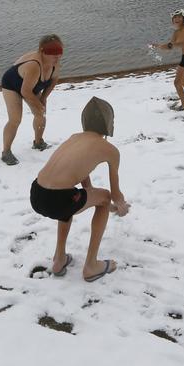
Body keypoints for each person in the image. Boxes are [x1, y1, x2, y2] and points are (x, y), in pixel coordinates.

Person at [30, 97, 130, 282]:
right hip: (59, 199)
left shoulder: (74, 138)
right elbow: (115, 195)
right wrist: (121, 206)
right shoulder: (110, 150)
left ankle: (59, 259)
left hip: (36, 193)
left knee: (70, 200)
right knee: (104, 197)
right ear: (109, 124)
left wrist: (94, 196)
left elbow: (82, 177)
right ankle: (91, 265)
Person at [0, 35, 63, 165]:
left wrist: (44, 99)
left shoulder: (54, 64)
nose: (57, 58)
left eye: (59, 54)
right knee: (15, 119)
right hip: (12, 85)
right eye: (53, 54)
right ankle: (6, 152)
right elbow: (25, 91)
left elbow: (53, 81)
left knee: (41, 114)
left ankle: (38, 142)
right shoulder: (34, 65)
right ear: (42, 52)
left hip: (31, 85)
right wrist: (38, 104)